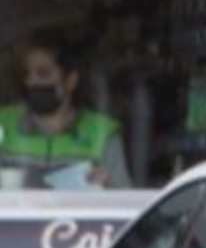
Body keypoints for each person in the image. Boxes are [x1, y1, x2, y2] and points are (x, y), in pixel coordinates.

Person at [0, 36, 131, 190]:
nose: (31, 81)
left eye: (43, 73)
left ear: (70, 81)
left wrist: (106, 186)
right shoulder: (3, 123)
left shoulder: (102, 132)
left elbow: (124, 197)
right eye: (26, 74)